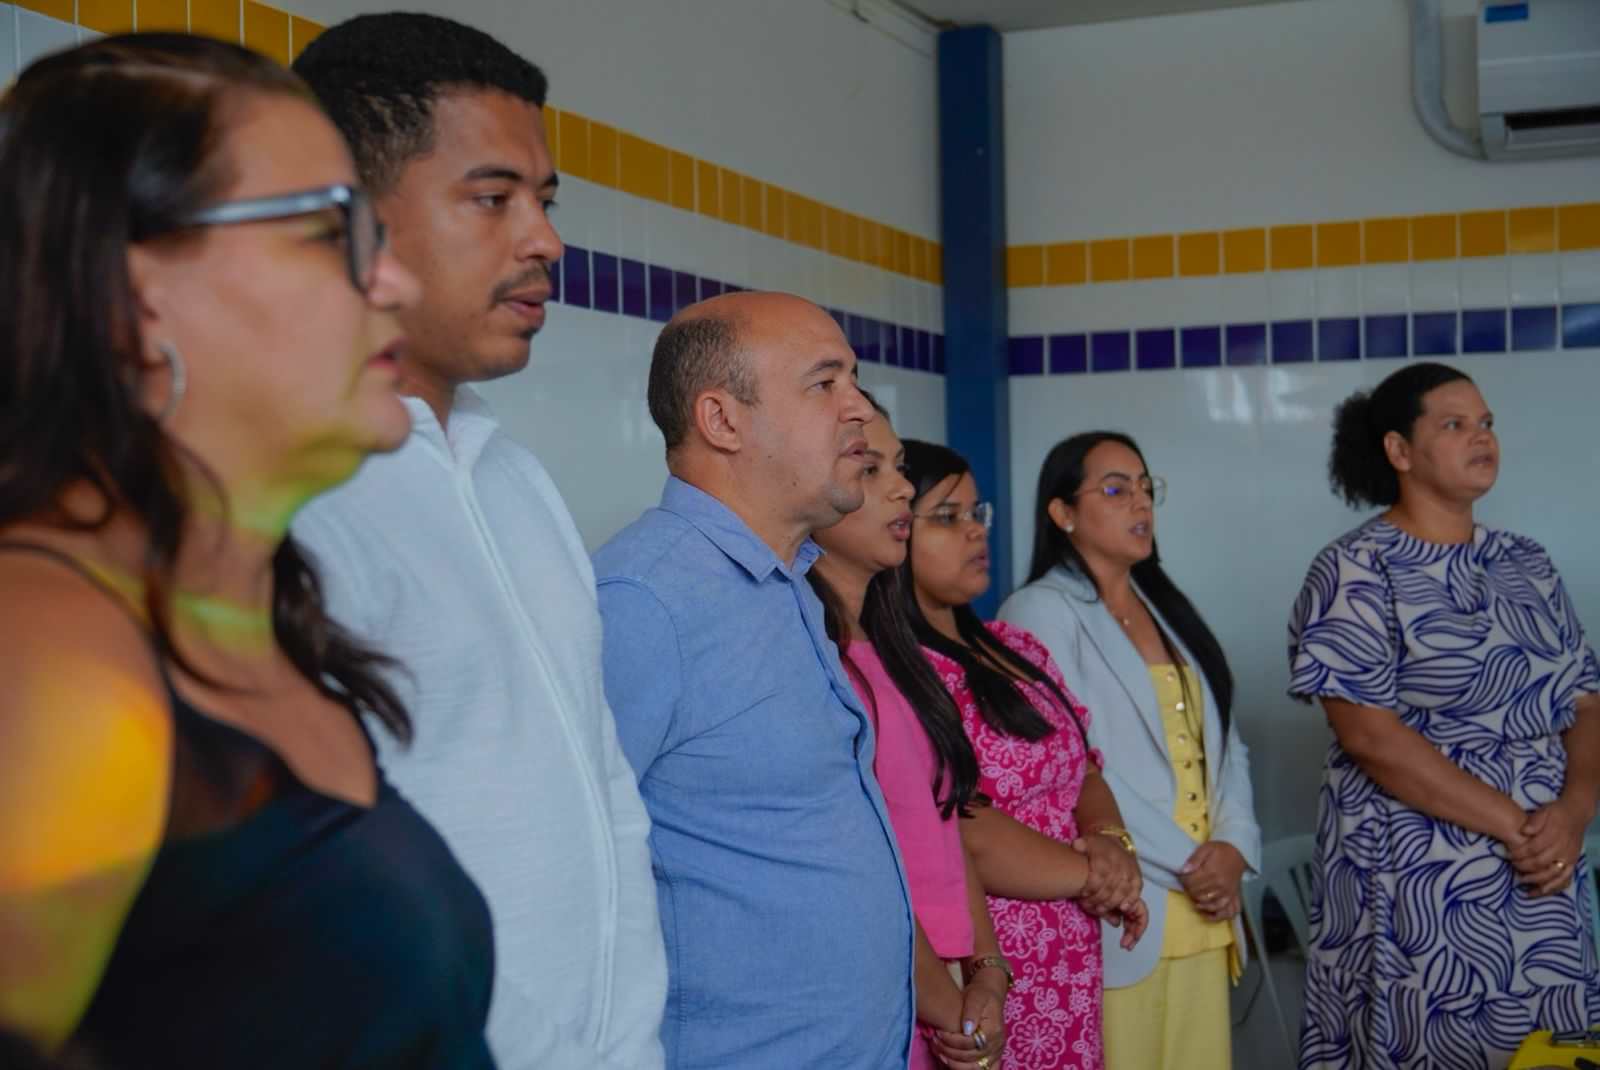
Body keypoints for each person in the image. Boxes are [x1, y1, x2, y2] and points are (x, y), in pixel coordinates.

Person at [0, 33, 495, 1068]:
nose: (394, 283)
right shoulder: (47, 658)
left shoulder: (257, 622)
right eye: (325, 232)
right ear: (132, 300)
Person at [289, 16, 667, 1069]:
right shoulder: (300, 499)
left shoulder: (514, 478)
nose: (545, 241)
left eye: (545, 202)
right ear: (348, 215)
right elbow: (323, 881)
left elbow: (605, 793)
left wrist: (627, 1045)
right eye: (493, 199)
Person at [593, 293, 914, 1069]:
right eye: (825, 383)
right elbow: (569, 867)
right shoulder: (645, 601)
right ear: (722, 420)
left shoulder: (785, 581)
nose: (859, 409)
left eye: (854, 381)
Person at [1288, 362, 1600, 1069]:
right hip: (1420, 877)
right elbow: (1370, 737)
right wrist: (1520, 827)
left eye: (1486, 423)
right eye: (1454, 424)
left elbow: (1585, 700)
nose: (1481, 437)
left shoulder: (1527, 562)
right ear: (1399, 450)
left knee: (1548, 1051)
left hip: (1544, 868)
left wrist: (1575, 812)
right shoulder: (1356, 569)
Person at [998, 431, 1261, 1070]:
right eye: (1116, 489)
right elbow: (1074, 768)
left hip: (1204, 907)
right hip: (1131, 902)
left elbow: (1226, 745)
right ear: (1062, 512)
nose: (1140, 502)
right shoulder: (1038, 612)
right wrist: (1192, 864)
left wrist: (1233, 848)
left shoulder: (1166, 609)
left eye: (1146, 487)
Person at [894, 440, 1147, 1070]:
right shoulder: (903, 674)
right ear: (895, 527)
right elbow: (959, 828)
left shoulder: (1014, 646)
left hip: (1072, 951)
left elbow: (1082, 765)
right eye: (947, 517)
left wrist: (1110, 839)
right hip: (992, 964)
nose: (975, 531)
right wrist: (1096, 875)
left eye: (976, 512)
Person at [808, 394, 1009, 1070]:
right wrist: (953, 1008)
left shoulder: (897, 652)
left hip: (946, 988)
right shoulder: (813, 660)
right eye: (870, 469)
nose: (900, 488)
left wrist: (986, 973)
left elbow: (946, 826)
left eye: (898, 467)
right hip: (890, 993)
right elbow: (857, 870)